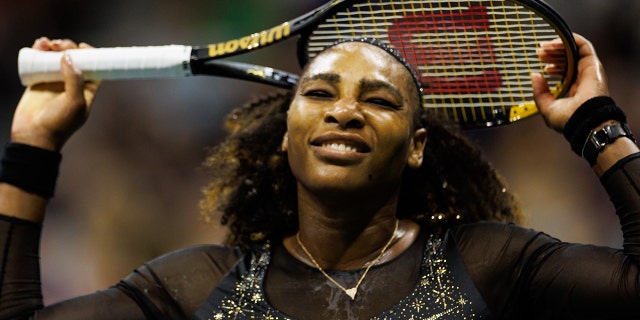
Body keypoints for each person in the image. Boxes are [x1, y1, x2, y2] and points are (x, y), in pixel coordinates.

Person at [0, 31, 638, 320]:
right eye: (321, 93)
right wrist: (34, 145)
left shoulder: (488, 263)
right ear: (287, 132)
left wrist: (597, 124)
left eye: (380, 101)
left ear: (416, 146)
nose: (345, 110)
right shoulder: (194, 287)